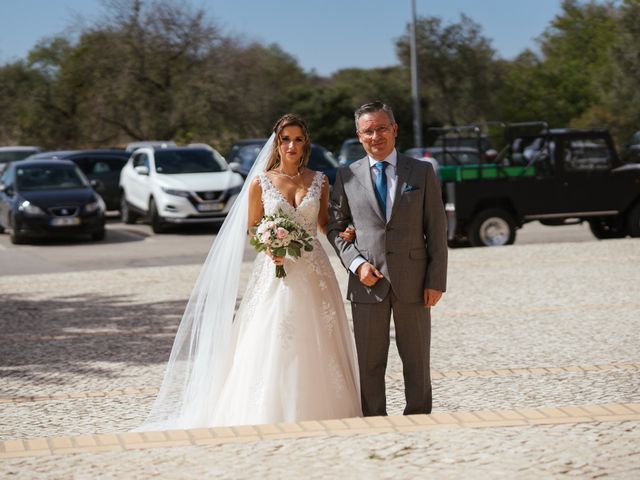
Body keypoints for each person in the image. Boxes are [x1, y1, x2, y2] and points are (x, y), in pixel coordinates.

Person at [139, 114, 361, 430]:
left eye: (298, 139)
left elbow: (324, 225)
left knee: (318, 333)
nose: (292, 146)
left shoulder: (319, 181)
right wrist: (270, 245)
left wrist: (346, 232)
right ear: (277, 142)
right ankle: (266, 407)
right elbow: (253, 228)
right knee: (273, 331)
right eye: (286, 139)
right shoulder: (261, 182)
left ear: (306, 143)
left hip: (314, 270)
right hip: (276, 270)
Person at [328, 101, 448, 417]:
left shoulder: (422, 172)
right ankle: (374, 423)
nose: (375, 136)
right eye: (368, 130)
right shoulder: (346, 175)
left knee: (417, 360)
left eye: (382, 128)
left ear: (394, 129)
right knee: (369, 362)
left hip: (415, 282)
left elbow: (436, 231)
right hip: (367, 284)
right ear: (359, 135)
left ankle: (419, 418)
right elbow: (336, 230)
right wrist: (356, 264)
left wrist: (436, 281)